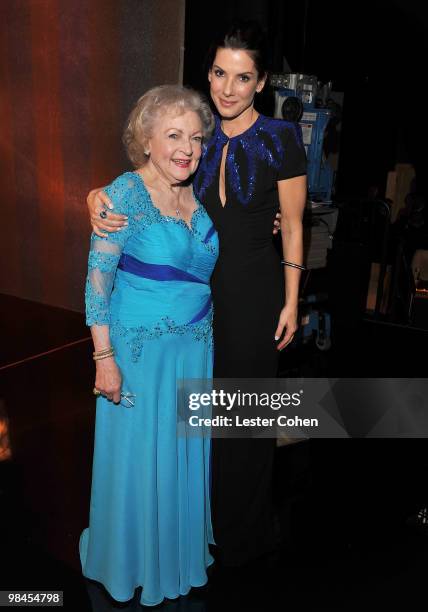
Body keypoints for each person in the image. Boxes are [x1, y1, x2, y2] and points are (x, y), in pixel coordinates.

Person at [87, 21, 307, 568]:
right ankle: (194, 526)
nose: (227, 88)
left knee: (247, 418)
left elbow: (296, 225)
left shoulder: (278, 138)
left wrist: (292, 299)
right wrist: (92, 197)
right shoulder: (197, 135)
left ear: (261, 82)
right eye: (218, 73)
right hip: (200, 292)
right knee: (202, 422)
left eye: (242, 77)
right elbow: (142, 180)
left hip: (254, 291)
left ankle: (245, 532)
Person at [79, 85, 218, 607]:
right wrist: (103, 359)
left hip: (194, 353)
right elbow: (97, 283)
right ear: (146, 140)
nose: (186, 148)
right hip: (139, 358)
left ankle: (175, 550)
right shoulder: (124, 194)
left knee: (179, 456)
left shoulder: (192, 192)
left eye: (196, 138)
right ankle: (131, 557)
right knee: (139, 461)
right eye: (173, 135)